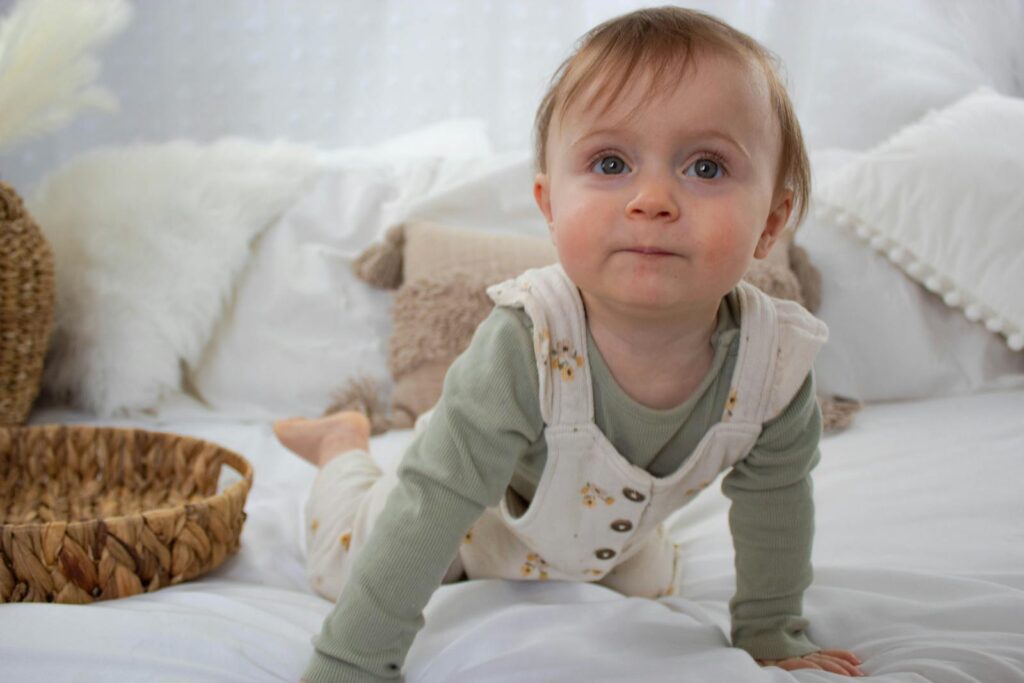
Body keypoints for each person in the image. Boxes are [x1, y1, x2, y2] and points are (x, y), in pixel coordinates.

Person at [276, 7, 865, 681]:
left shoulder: (774, 364)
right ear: (550, 203)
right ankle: (341, 447)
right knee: (346, 556)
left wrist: (771, 630)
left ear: (772, 222)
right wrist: (353, 658)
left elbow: (777, 503)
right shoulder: (527, 342)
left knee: (649, 581)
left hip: (601, 542)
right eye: (611, 161)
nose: (652, 198)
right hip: (470, 516)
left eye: (705, 166)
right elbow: (432, 500)